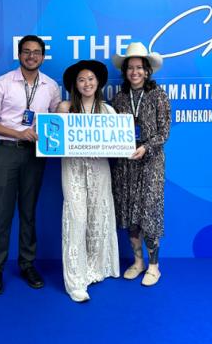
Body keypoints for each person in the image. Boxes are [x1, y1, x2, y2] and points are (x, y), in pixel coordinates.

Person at [0, 35, 61, 295]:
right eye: (26, 51)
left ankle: (27, 264)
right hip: (6, 153)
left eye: (36, 52)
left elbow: (57, 117)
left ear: (43, 56)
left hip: (35, 155)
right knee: (3, 213)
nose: (31, 56)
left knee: (29, 212)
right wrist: (18, 133)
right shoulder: (2, 82)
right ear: (19, 54)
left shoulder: (50, 86)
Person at [56, 60, 120, 302]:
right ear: (75, 84)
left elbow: (117, 142)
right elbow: (54, 139)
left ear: (98, 82)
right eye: (81, 79)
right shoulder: (64, 108)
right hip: (72, 168)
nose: (87, 83)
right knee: (76, 218)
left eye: (91, 79)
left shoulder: (107, 111)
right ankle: (75, 281)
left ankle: (95, 269)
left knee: (98, 216)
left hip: (99, 168)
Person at [110, 42, 171, 286]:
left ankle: (154, 267)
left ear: (147, 71)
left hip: (151, 163)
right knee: (130, 213)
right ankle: (138, 262)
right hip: (126, 164)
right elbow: (111, 130)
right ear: (125, 72)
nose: (134, 72)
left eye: (139, 68)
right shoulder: (120, 98)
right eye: (130, 68)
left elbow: (164, 131)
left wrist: (146, 147)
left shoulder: (158, 95)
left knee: (149, 213)